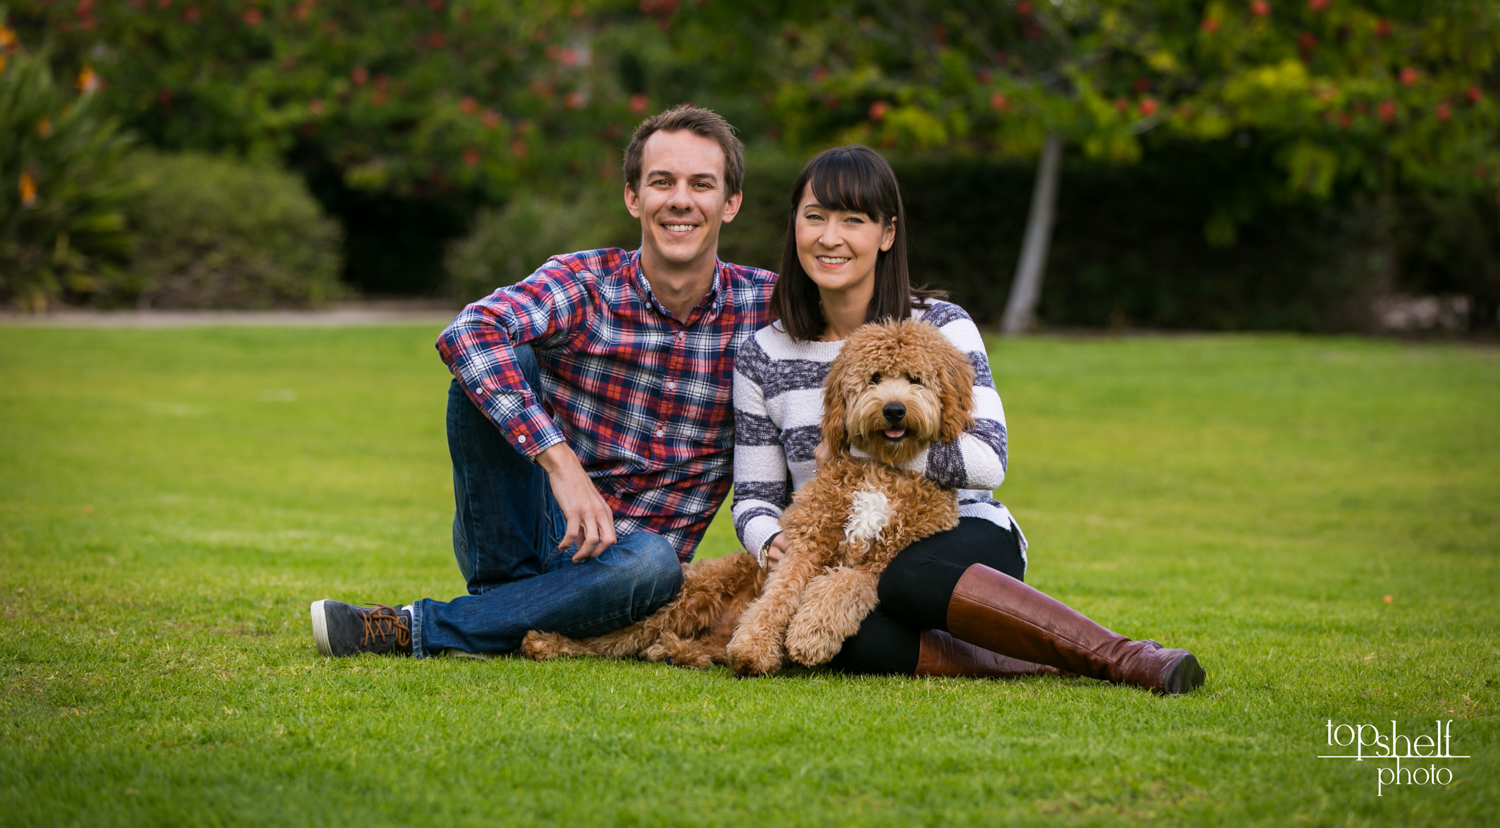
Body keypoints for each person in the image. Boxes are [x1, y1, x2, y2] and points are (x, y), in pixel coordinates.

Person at [732, 145, 1205, 693]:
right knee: (843, 642)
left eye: (852, 220)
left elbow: (988, 460)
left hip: (958, 535)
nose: (830, 237)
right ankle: (1030, 660)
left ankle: (1128, 659)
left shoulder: (942, 326)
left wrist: (856, 443)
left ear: (886, 233)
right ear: (794, 225)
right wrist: (771, 543)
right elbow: (754, 497)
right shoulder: (764, 354)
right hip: (847, 560)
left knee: (908, 578)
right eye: (815, 217)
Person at [309, 105, 777, 658]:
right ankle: (514, 609)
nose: (680, 200)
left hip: (633, 577)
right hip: (532, 536)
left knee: (654, 563)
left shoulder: (767, 307)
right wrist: (563, 466)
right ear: (633, 198)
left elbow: (862, 321)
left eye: (702, 184)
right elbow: (467, 331)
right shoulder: (585, 281)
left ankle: (434, 626)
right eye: (661, 182)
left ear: (731, 203)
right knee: (501, 360)